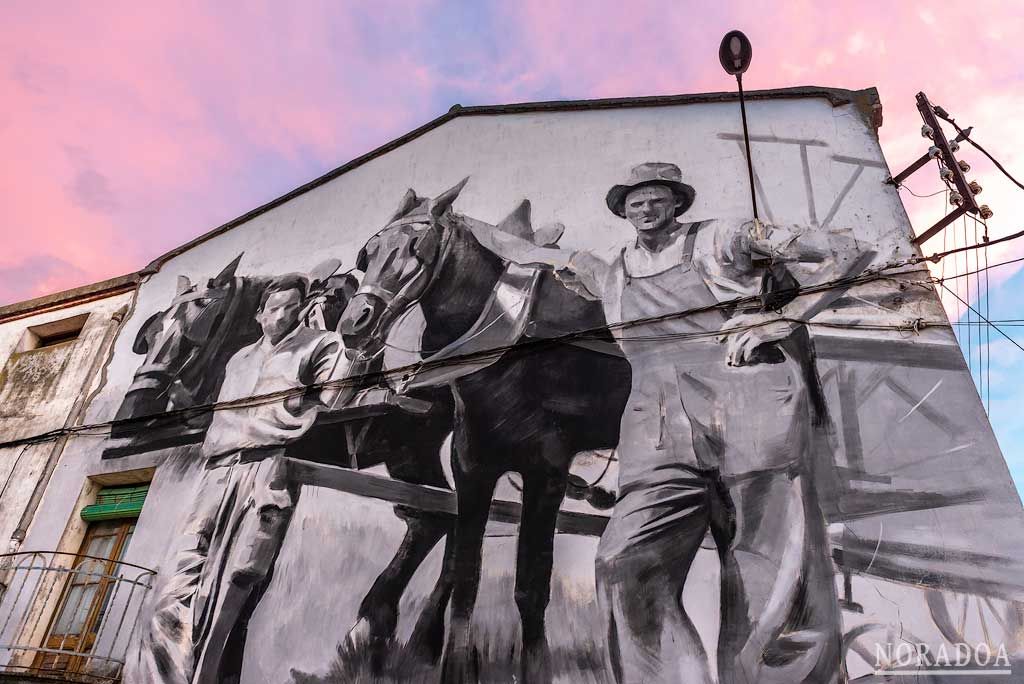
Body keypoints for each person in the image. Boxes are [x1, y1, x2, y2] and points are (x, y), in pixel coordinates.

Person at [464, 162, 851, 683]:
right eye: (635, 202)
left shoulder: (725, 239)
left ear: (676, 203)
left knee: (768, 568)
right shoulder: (613, 271)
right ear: (623, 211)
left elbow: (849, 252)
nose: (645, 210)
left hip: (751, 409)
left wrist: (782, 317)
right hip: (659, 429)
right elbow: (534, 254)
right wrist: (457, 224)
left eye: (655, 199)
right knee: (624, 562)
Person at [128, 273, 357, 684]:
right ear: (259, 314)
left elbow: (335, 398)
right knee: (174, 587)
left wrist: (294, 402)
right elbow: (220, 416)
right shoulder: (239, 359)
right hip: (215, 472)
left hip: (266, 468)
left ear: (303, 308)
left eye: (292, 306)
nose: (283, 315)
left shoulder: (322, 345)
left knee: (237, 585)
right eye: (275, 308)